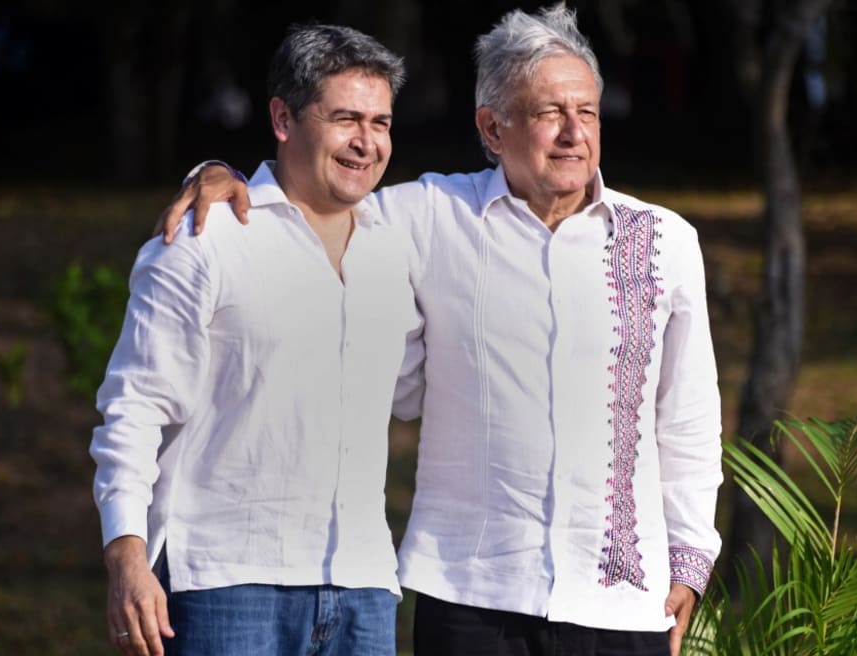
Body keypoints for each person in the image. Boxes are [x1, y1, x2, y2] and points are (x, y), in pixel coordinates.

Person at [161, 4, 722, 655]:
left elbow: (687, 417)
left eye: (587, 112)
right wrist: (216, 174)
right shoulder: (431, 214)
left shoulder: (665, 241)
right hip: (470, 597)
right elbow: (310, 196)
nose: (573, 132)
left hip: (621, 604)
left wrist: (690, 559)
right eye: (548, 112)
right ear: (492, 127)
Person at [91, 23, 422, 656]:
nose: (367, 142)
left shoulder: (398, 245)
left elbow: (416, 389)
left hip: (363, 588)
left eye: (380, 122)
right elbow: (134, 409)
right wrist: (127, 557)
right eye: (345, 119)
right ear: (282, 117)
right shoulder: (205, 238)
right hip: (226, 585)